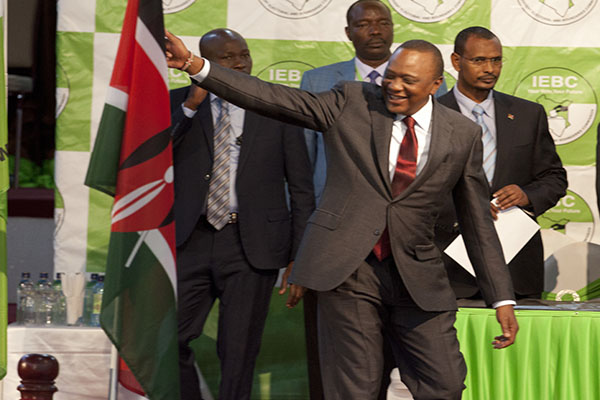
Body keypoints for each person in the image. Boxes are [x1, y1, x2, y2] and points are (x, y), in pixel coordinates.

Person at [166, 32, 519, 400]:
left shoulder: (462, 133)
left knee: (445, 384)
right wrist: (195, 64)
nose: (394, 86)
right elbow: (273, 98)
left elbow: (478, 222)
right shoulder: (351, 100)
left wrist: (502, 298)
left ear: (435, 84)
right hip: (349, 270)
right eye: (391, 75)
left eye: (408, 80)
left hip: (418, 277)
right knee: (357, 388)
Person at [170, 29, 315, 400]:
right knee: (170, 340)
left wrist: (299, 255)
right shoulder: (178, 103)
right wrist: (191, 105)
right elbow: (154, 163)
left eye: (244, 55)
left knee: (238, 352)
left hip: (252, 246)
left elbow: (300, 187)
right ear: (203, 62)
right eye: (226, 58)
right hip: (191, 239)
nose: (239, 64)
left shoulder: (277, 107)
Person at [435, 27, 567, 301]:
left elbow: (554, 178)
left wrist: (526, 194)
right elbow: (411, 189)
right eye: (479, 60)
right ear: (457, 62)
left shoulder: (528, 114)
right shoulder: (430, 116)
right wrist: (466, 208)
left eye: (496, 60)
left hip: (516, 268)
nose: (490, 68)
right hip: (449, 268)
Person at [301, 0, 447, 204]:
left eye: (383, 23)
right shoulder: (316, 81)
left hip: (406, 201)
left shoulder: (428, 80)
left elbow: (440, 148)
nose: (375, 31)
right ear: (348, 32)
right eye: (363, 25)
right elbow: (304, 155)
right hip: (336, 204)